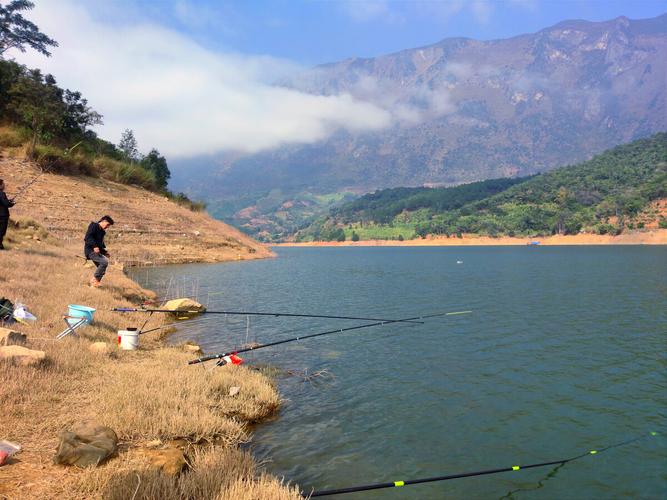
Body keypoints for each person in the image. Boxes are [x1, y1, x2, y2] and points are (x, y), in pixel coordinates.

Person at [84, 215, 114, 287]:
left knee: (102, 270)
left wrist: (105, 252)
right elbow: (87, 237)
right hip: (90, 251)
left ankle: (94, 285)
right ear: (104, 221)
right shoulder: (94, 226)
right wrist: (94, 246)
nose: (107, 227)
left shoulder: (102, 232)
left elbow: (100, 246)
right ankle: (94, 280)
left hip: (96, 251)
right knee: (104, 262)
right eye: (108, 225)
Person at [0, 179, 16, 250]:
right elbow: (6, 204)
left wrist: (8, 200)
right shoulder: (2, 193)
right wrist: (12, 203)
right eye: (3, 184)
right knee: (2, 231)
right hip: (2, 216)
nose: (4, 185)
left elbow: (2, 202)